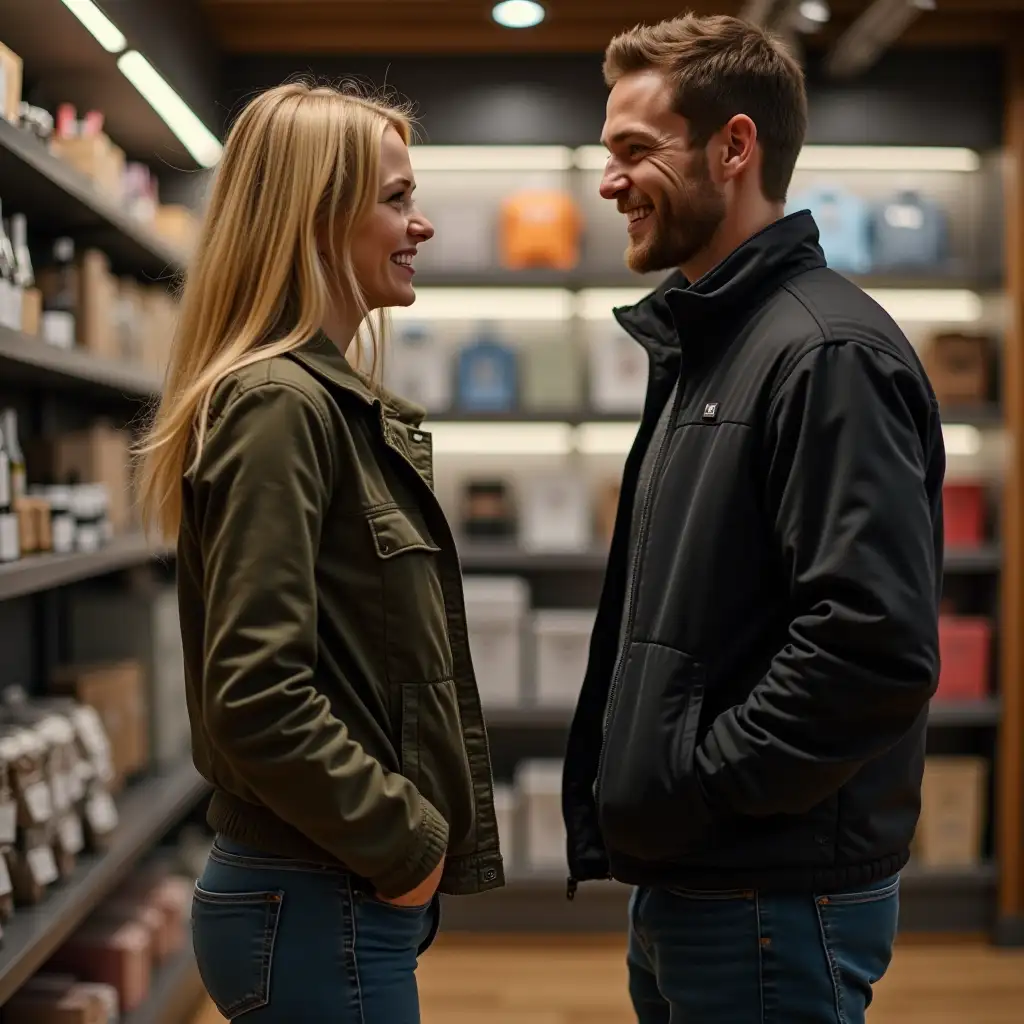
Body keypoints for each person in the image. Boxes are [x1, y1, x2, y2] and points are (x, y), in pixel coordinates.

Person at [561, 15, 943, 1024]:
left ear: (735, 147)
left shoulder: (824, 354)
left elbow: (869, 648)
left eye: (635, 151)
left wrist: (699, 788)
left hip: (766, 898)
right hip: (706, 882)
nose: (610, 182)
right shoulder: (717, 342)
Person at [136, 82, 503, 1022]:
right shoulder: (280, 406)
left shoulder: (317, 402)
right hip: (316, 890)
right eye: (395, 199)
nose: (419, 225)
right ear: (314, 215)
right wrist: (408, 841)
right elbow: (258, 693)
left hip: (326, 888)